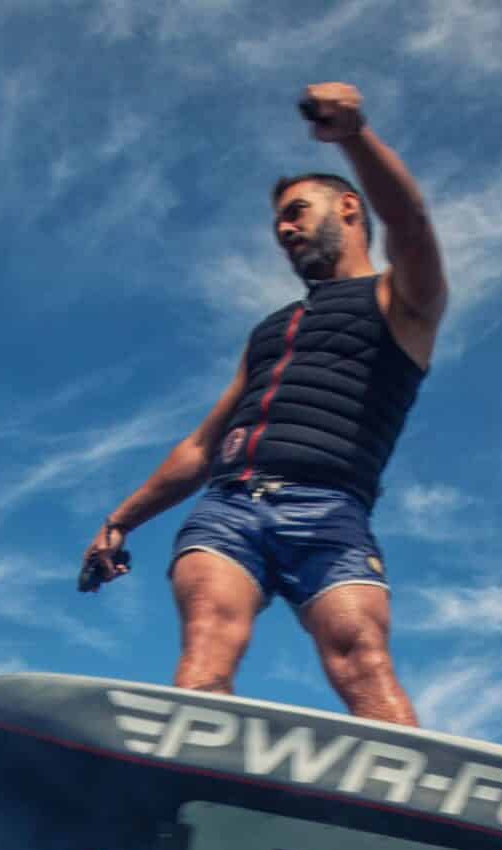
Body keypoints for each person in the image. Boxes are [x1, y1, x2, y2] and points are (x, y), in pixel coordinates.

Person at [80, 81, 447, 728]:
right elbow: (201, 446)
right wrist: (120, 521)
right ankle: (195, 776)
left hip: (330, 510)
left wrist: (353, 136)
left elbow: (411, 225)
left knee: (361, 660)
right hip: (229, 508)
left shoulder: (403, 301)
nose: (284, 230)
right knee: (204, 655)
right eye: (279, 222)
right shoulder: (271, 331)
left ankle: (413, 789)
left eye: (296, 212)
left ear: (349, 209)